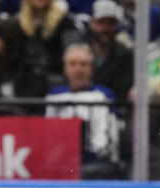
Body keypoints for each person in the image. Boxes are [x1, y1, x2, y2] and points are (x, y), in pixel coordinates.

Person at [45, 43, 120, 178]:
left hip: (95, 162)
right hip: (60, 162)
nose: (78, 69)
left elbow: (109, 139)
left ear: (91, 69)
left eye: (83, 64)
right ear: (65, 69)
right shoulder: (54, 95)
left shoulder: (104, 95)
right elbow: (48, 138)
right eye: (72, 64)